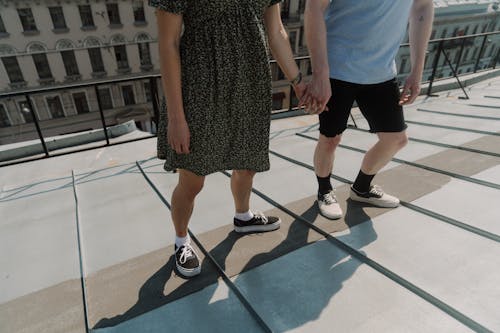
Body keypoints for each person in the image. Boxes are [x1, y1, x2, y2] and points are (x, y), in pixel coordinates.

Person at [149, 0, 306, 277]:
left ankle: (243, 217)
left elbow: (277, 32)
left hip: (250, 82)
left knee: (247, 163)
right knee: (192, 178)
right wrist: (176, 117)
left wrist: (298, 82)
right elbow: (168, 43)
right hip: (200, 88)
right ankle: (181, 240)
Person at [303, 0, 434, 219]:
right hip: (336, 69)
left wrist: (417, 71)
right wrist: (319, 74)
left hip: (382, 71)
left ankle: (361, 188)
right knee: (330, 139)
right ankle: (324, 190)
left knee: (396, 139)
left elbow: (422, 7)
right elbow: (314, 6)